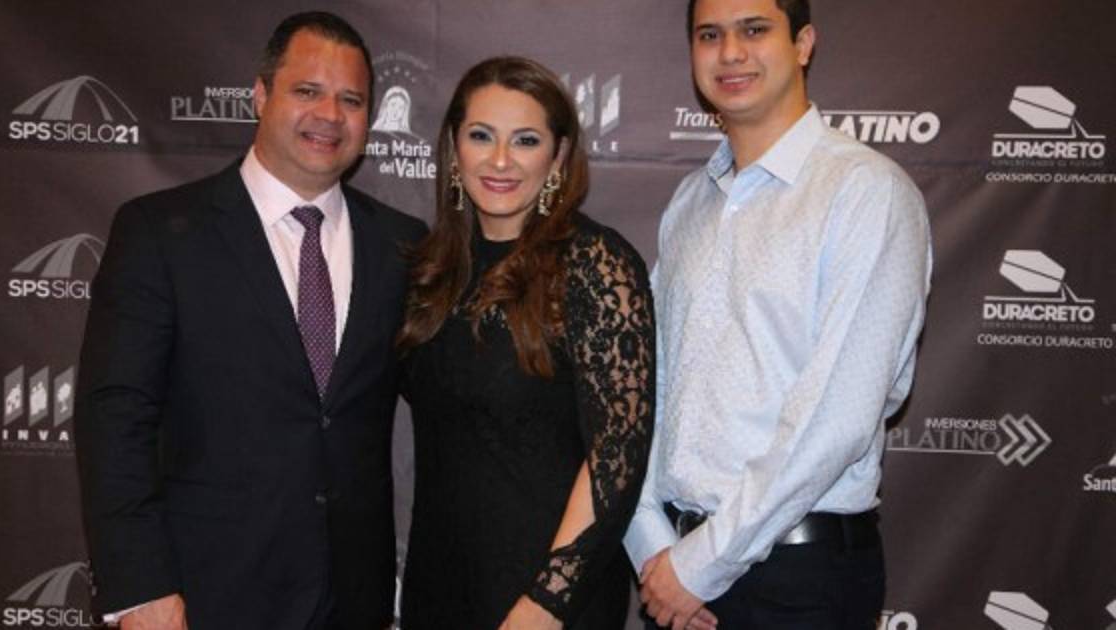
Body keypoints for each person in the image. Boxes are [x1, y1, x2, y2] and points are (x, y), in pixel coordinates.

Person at [76, 11, 425, 630]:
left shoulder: (402, 245)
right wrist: (140, 588)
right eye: (307, 91)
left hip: (354, 599)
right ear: (261, 95)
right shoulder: (160, 233)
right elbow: (115, 418)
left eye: (351, 100)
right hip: (201, 597)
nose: (330, 115)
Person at [625, 0, 932, 628]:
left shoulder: (865, 191)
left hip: (797, 580)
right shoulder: (690, 203)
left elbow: (837, 417)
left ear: (804, 43)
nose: (730, 52)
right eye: (710, 35)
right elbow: (653, 385)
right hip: (677, 571)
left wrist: (704, 562)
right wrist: (652, 542)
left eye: (755, 29)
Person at [396, 56, 655, 629]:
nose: (500, 160)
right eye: (481, 136)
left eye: (526, 140)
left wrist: (548, 598)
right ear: (454, 147)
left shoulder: (594, 263)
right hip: (440, 587)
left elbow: (617, 452)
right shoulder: (432, 270)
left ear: (558, 156)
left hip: (547, 599)